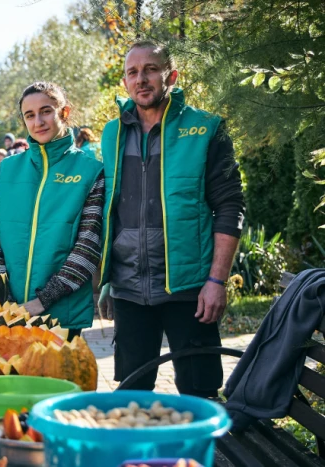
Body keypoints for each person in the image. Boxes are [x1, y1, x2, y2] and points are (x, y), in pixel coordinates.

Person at [97, 40, 245, 397]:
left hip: (189, 288)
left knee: (200, 391)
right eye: (133, 72)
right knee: (133, 394)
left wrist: (216, 281)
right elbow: (108, 208)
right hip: (129, 289)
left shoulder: (206, 129)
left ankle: (203, 454)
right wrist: (106, 279)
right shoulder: (112, 133)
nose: (141, 79)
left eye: (150, 69)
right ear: (124, 82)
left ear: (171, 76)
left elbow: (230, 207)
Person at [0, 82, 105, 338]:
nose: (38, 121)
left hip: (62, 314)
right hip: (8, 311)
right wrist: (2, 291)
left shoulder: (91, 171)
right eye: (29, 115)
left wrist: (43, 301)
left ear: (64, 112)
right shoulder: (9, 169)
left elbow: (89, 246)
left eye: (46, 111)